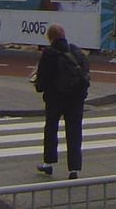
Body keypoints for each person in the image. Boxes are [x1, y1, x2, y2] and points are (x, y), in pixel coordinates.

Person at [33, 24, 89, 179]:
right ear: (64, 35)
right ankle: (74, 169)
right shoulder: (76, 51)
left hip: (55, 99)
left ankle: (49, 163)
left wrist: (39, 86)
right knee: (74, 132)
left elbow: (42, 81)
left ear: (50, 38)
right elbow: (85, 74)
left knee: (51, 129)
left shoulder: (49, 53)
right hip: (76, 100)